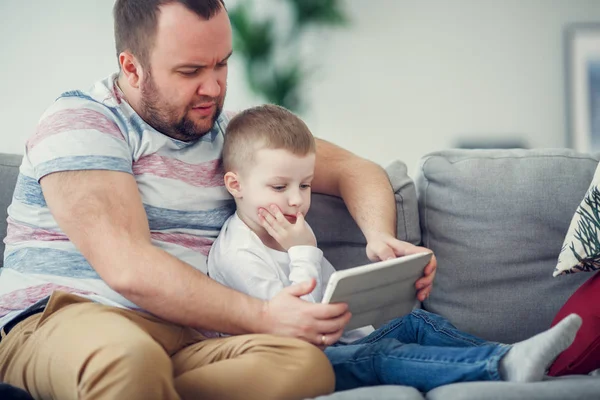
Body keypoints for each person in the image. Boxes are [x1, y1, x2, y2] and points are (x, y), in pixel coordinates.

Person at [0, 1, 437, 399]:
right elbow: (129, 269)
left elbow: (355, 170)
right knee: (129, 359)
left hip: (187, 339)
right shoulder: (82, 120)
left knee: (303, 365)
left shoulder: (234, 137)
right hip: (63, 320)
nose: (212, 87)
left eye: (222, 65)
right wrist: (266, 316)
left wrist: (380, 237)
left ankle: (148, 389)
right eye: (190, 71)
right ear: (131, 68)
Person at [207, 104, 583, 393]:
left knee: (415, 322)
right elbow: (300, 330)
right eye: (279, 187)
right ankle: (500, 365)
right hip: (294, 360)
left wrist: (383, 291)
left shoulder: (294, 234)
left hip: (338, 345)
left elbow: (337, 302)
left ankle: (518, 356)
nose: (296, 201)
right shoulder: (240, 254)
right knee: (380, 355)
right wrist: (303, 251)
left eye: (304, 185)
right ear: (235, 184)